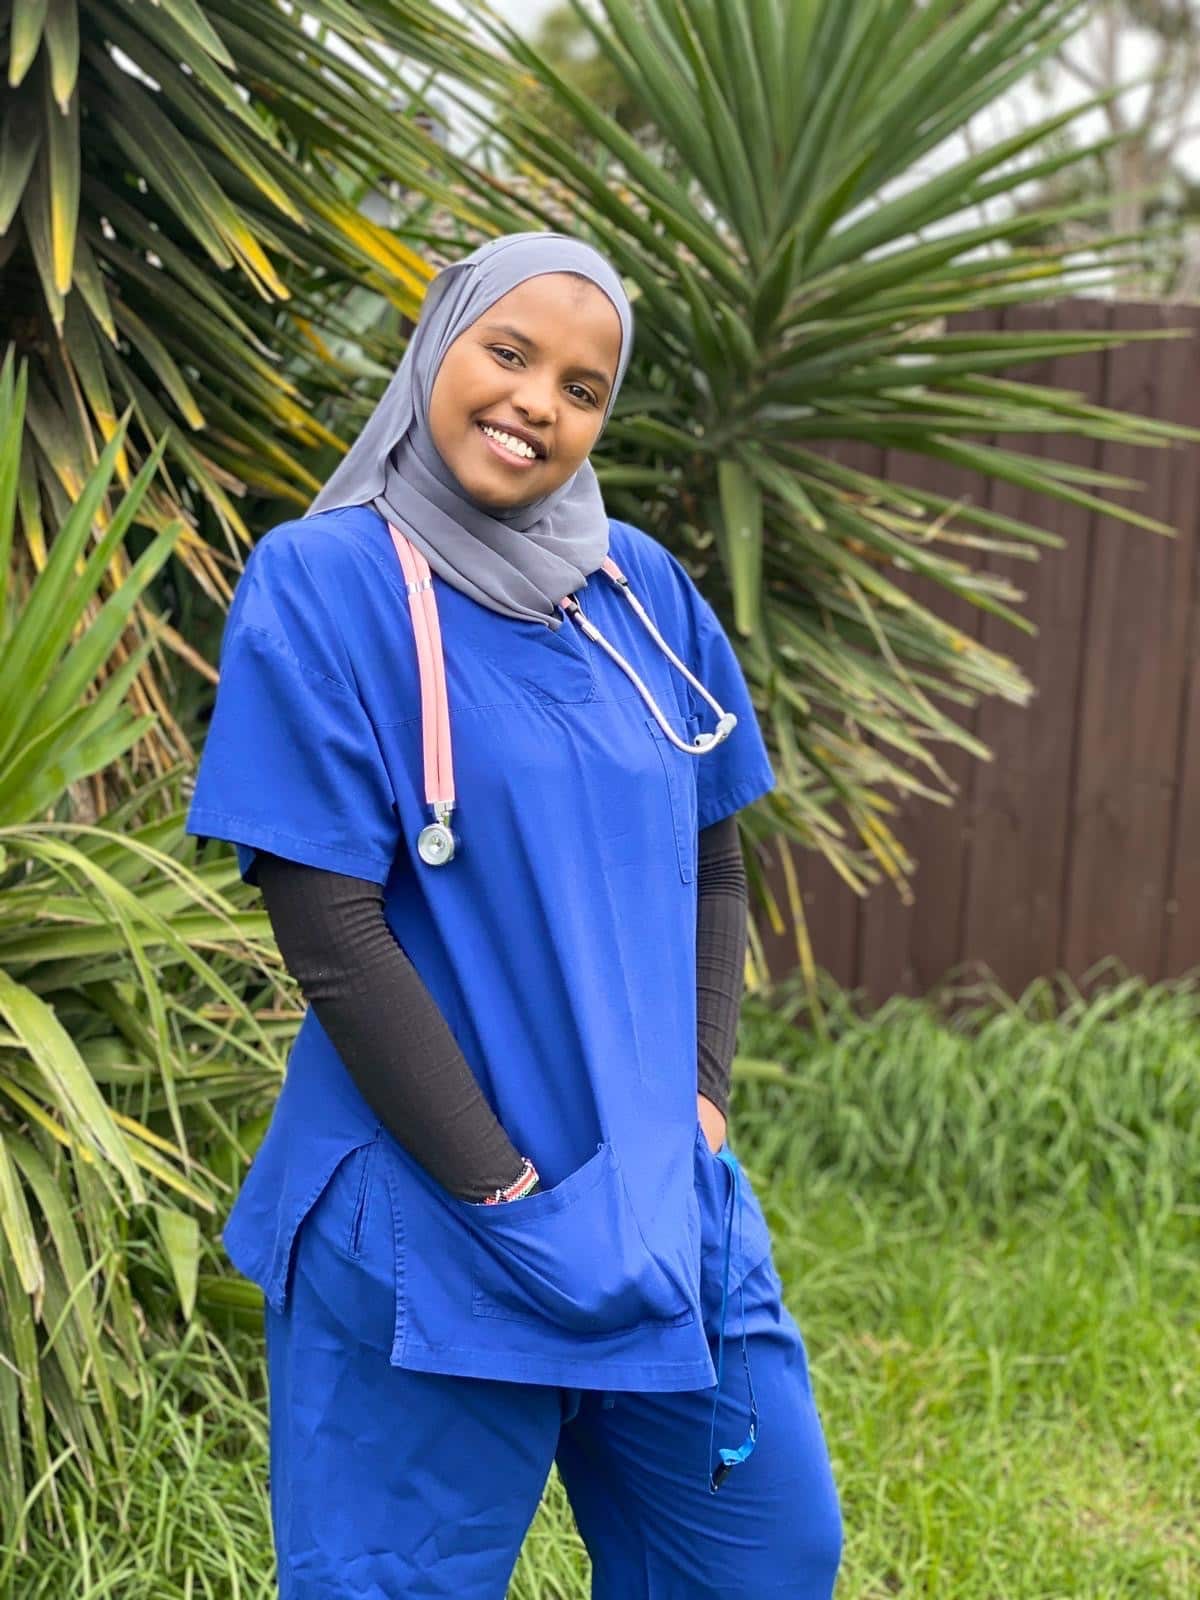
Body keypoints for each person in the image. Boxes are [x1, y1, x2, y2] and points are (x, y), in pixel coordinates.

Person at [186, 230, 842, 1598]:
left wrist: (701, 1101)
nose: (539, 401)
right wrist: (497, 1184)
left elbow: (716, 859)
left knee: (763, 1559)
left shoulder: (640, 594)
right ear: (441, 345)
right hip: (429, 1216)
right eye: (509, 352)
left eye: (583, 387)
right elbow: (329, 924)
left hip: (660, 1203)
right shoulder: (325, 584)